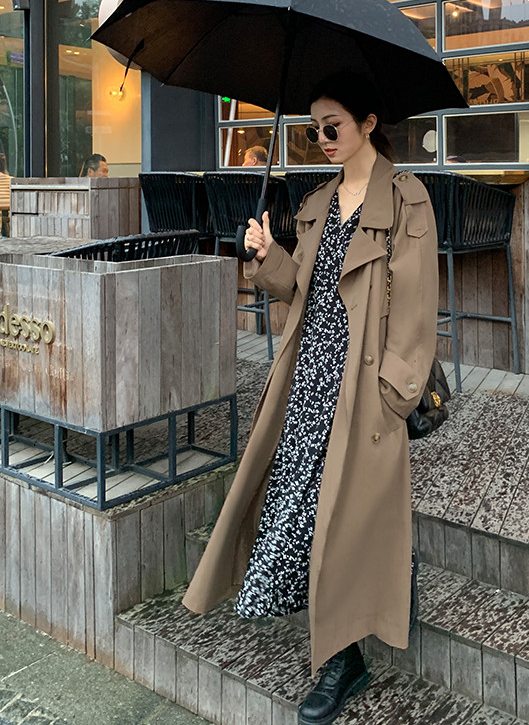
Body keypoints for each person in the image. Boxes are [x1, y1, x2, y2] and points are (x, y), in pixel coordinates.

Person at [183, 73, 438, 725]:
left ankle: (340, 658)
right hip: (309, 379)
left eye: (333, 126)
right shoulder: (318, 200)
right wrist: (268, 254)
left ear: (368, 123)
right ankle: (347, 645)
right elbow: (303, 287)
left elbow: (416, 309)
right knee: (303, 509)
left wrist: (393, 394)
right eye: (314, 128)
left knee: (342, 512)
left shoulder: (406, 199)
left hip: (364, 386)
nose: (322, 138)